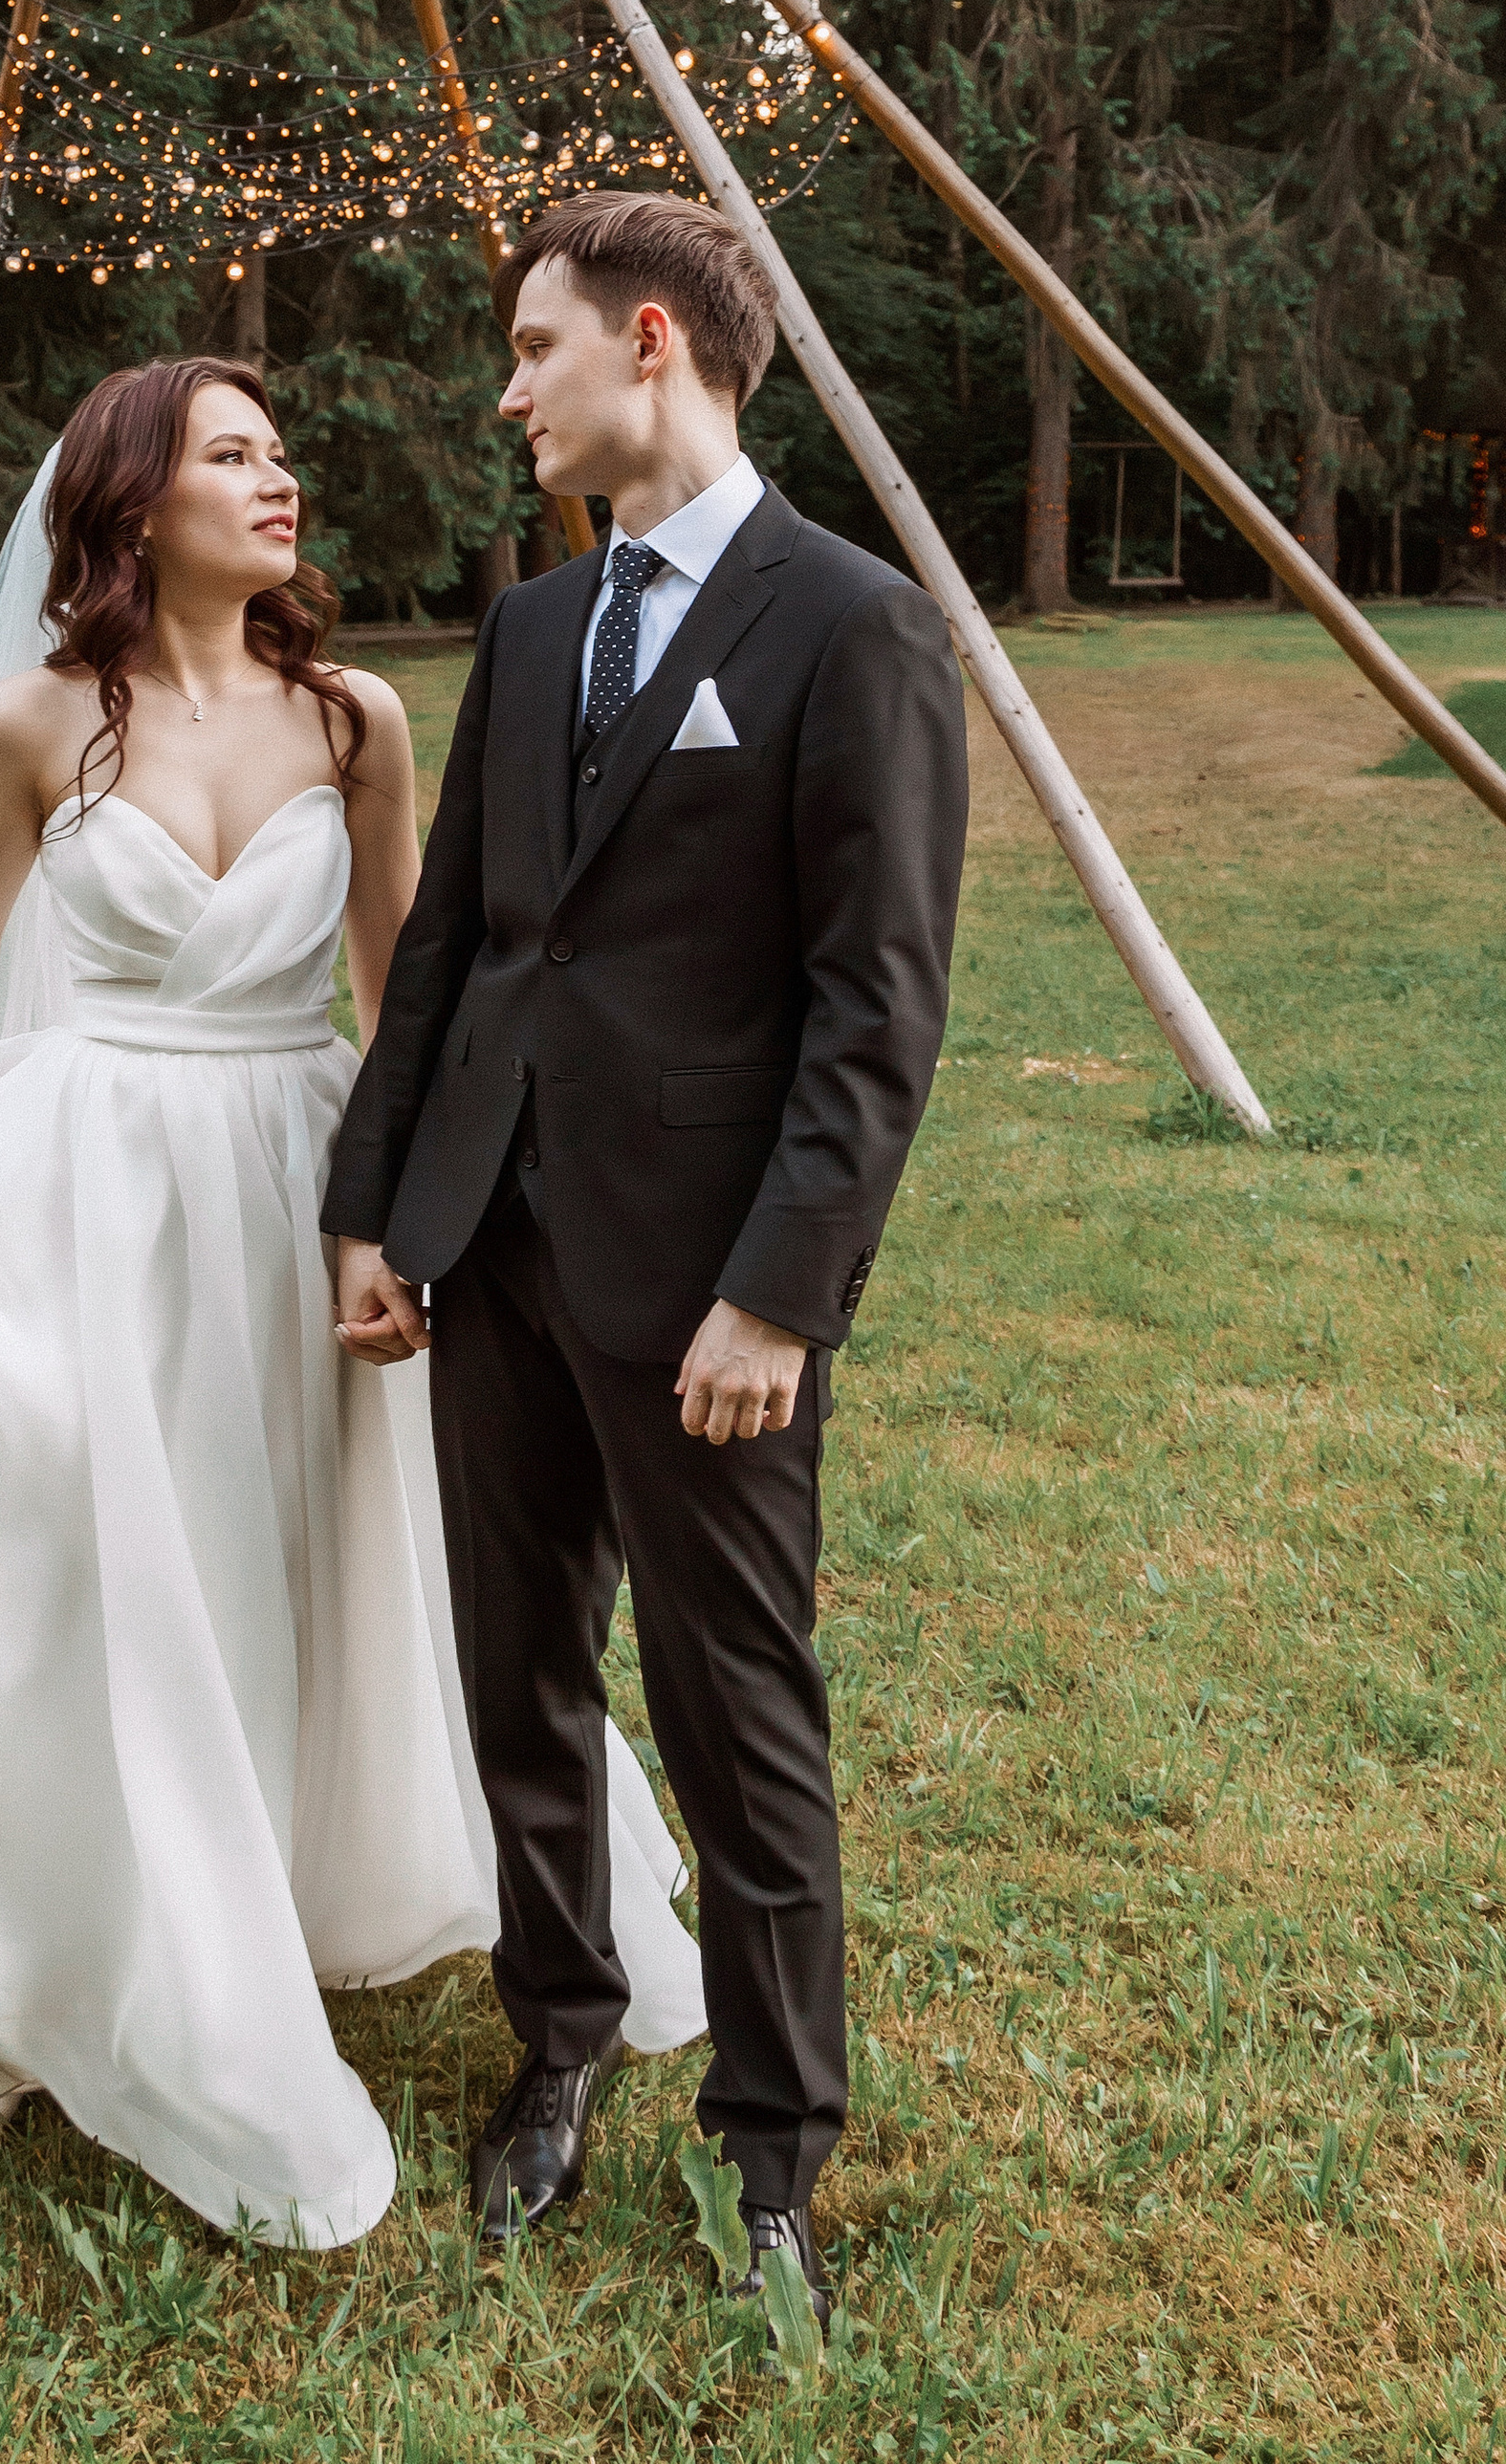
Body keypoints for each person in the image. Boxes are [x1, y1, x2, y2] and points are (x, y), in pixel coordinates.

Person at [0, 356, 703, 2246]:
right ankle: (76, 1914)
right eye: (234, 455)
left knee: (298, 1535)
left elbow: (399, 986)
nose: (282, 480)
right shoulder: (38, 721)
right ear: (130, 504)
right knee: (102, 1546)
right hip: (91, 1166)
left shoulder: (352, 721)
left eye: (284, 449)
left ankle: (281, 1874)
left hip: (295, 1167)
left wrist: (402, 1219)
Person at [323, 195, 969, 2332]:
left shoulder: (848, 623)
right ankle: (561, 2031)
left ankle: (772, 2141)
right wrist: (378, 1207)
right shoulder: (526, 630)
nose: (505, 390)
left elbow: (870, 1004)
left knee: (728, 1700)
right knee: (512, 1668)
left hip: (705, 1289)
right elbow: (451, 954)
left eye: (532, 347)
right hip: (488, 1248)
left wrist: (780, 1290)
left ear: (652, 343)